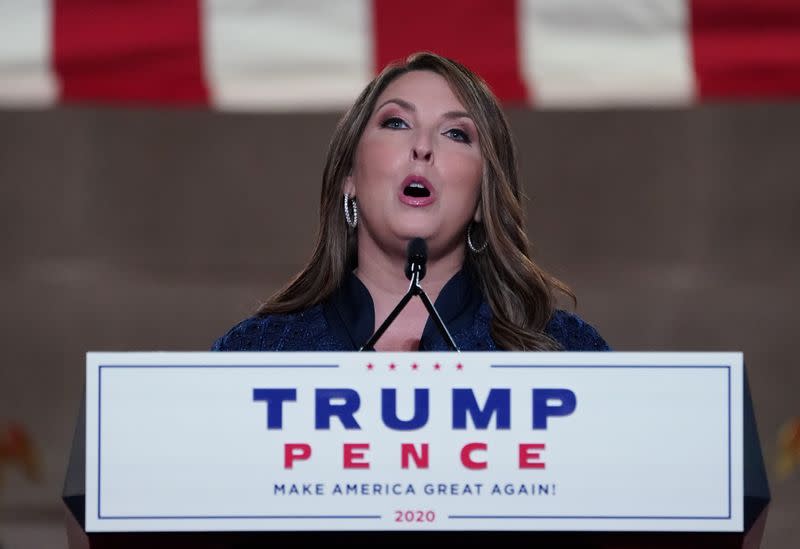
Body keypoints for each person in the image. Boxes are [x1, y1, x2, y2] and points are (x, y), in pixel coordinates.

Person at [213, 52, 608, 353]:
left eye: (455, 133)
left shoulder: (562, 352)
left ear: (480, 200)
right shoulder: (256, 354)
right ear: (349, 177)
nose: (422, 147)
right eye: (397, 123)